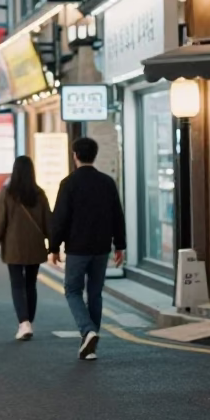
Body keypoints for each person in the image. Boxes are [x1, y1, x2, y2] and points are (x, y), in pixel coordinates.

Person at [48, 136, 126, 361]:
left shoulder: (69, 183)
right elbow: (117, 216)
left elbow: (60, 219)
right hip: (101, 248)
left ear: (75, 156)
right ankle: (90, 343)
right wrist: (119, 245)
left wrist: (54, 247)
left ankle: (87, 330)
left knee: (72, 290)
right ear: (95, 155)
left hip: (77, 248)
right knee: (95, 293)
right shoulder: (107, 182)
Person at [0, 155, 52, 341]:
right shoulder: (39, 194)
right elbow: (48, 221)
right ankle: (28, 321)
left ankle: (24, 323)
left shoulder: (8, 193)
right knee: (31, 284)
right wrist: (54, 245)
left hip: (14, 246)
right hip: (35, 245)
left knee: (17, 284)